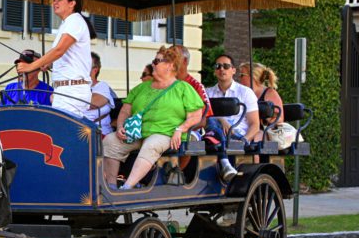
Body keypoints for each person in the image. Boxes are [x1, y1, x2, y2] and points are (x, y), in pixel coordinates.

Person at [102, 46, 204, 190]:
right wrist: (120, 127)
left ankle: (127, 187)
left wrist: (180, 129)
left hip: (166, 133)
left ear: (170, 65)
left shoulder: (183, 88)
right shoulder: (142, 87)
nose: (153, 64)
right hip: (138, 133)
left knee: (151, 144)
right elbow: (125, 111)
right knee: (111, 141)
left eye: (157, 61)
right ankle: (111, 187)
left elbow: (196, 116)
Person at [16, 0, 92, 117]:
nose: (55, 3)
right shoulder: (68, 23)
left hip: (72, 90)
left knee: (64, 133)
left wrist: (30, 67)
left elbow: (59, 50)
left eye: (60, 0)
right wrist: (49, 64)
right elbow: (65, 55)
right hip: (64, 89)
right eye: (54, 0)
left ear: (72, 3)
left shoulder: (74, 20)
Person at [205, 53, 259, 180]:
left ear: (233, 70)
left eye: (226, 66)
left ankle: (224, 161)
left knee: (212, 123)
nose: (221, 69)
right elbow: (203, 118)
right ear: (214, 71)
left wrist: (244, 140)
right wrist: (221, 120)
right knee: (212, 121)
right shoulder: (208, 93)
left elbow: (255, 124)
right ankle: (224, 162)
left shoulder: (245, 92)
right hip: (215, 135)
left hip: (236, 135)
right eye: (218, 66)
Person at [239, 62, 285, 134]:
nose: (239, 78)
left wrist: (266, 116)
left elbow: (279, 120)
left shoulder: (270, 94)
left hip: (262, 135)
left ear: (253, 76)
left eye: (242, 75)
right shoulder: (241, 93)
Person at [83, 52, 117, 137]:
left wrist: (71, 101)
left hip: (98, 133)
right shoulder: (74, 87)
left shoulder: (102, 86)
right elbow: (53, 99)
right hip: (78, 130)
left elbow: (94, 103)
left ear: (95, 70)